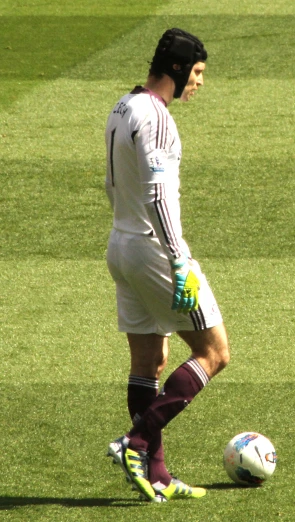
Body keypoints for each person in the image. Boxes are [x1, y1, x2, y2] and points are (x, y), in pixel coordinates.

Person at [103, 28, 230, 503]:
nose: (199, 82)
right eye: (196, 73)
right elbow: (157, 194)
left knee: (149, 361)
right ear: (177, 70)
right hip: (155, 247)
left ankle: (155, 473)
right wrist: (179, 261)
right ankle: (135, 443)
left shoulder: (123, 106)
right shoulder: (156, 117)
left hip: (122, 243)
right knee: (215, 353)